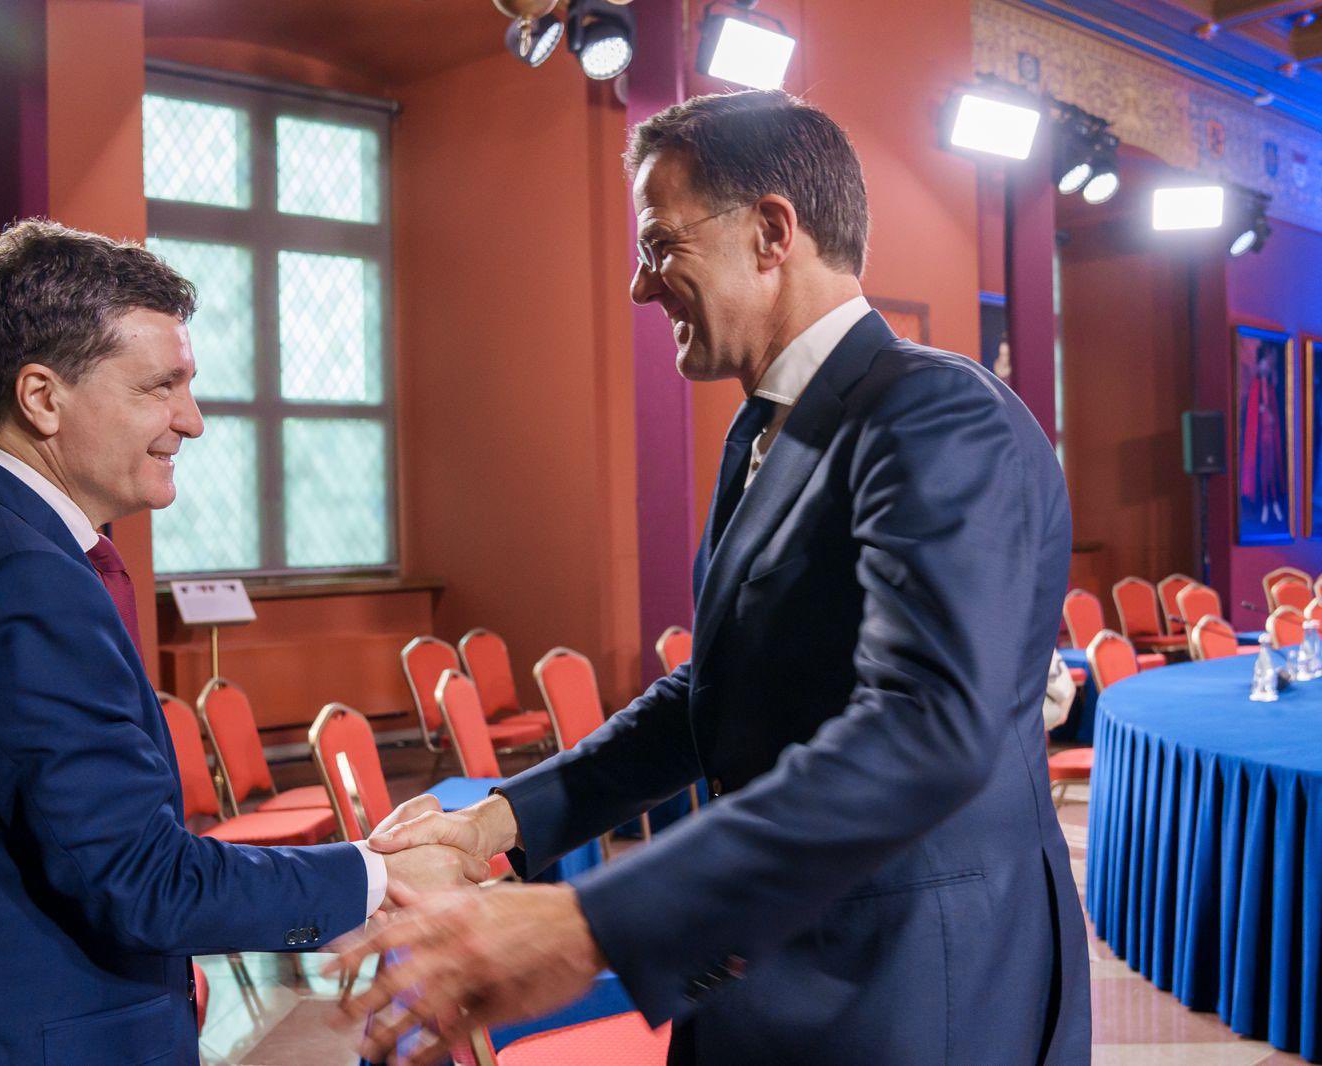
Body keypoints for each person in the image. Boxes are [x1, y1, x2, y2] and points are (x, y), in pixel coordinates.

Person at [331, 90, 1090, 1065]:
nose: (640, 286)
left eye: (659, 244)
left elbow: (928, 724)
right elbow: (721, 693)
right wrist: (501, 820)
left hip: (907, 989)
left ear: (772, 232)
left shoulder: (937, 413)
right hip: (772, 965)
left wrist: (587, 925)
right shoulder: (762, 430)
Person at [0, 219, 485, 1065]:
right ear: (42, 398)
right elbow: (136, 880)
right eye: (160, 387)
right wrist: (378, 874)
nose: (193, 420)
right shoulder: (19, 578)